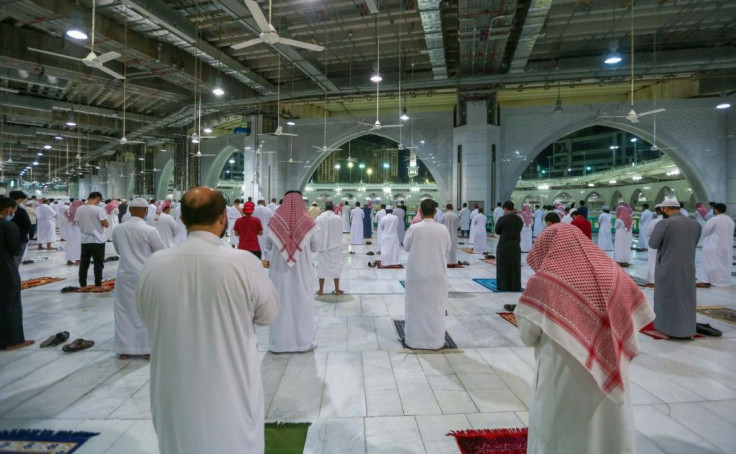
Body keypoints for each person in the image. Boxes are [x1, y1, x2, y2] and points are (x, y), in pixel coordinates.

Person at [136, 187, 278, 454]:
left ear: (181, 219)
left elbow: (145, 313)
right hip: (229, 384)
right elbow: (269, 315)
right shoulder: (244, 263)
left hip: (174, 386)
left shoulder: (155, 264)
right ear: (224, 217)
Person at [515, 223, 653, 454]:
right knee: (608, 430)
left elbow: (527, 335)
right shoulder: (615, 273)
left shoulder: (544, 282)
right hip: (612, 366)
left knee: (561, 432)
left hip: (562, 376)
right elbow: (632, 316)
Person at [265, 191, 320, 353]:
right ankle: (302, 343)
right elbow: (316, 246)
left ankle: (278, 344)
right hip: (301, 274)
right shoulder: (308, 222)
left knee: (279, 306)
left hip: (278, 274)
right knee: (301, 305)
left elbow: (267, 246)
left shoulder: (274, 222)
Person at [111, 198, 164, 359]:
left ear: (130, 210)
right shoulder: (149, 230)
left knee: (124, 311)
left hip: (125, 275)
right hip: (145, 274)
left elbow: (118, 250)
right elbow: (160, 252)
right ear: (145, 211)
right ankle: (147, 349)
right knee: (146, 311)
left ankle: (125, 349)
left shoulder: (118, 229)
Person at [649, 198, 701, 338]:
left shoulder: (664, 223)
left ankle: (667, 328)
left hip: (667, 267)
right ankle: (687, 328)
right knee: (686, 297)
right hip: (687, 268)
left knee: (667, 297)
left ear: (665, 209)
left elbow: (653, 244)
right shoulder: (695, 223)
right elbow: (694, 242)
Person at [403, 199, 451, 349]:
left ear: (421, 212)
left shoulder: (414, 228)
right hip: (437, 273)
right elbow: (447, 248)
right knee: (435, 306)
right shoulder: (443, 229)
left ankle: (414, 340)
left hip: (416, 273)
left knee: (416, 305)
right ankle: (434, 341)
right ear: (435, 212)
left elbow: (406, 247)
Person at [0, 196, 34, 351]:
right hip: (5, 268)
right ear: (8, 209)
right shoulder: (8, 226)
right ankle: (12, 340)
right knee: (10, 303)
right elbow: (15, 249)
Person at [75, 192, 110, 288]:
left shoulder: (79, 208)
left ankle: (83, 284)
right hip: (97, 239)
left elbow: (78, 223)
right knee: (98, 263)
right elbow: (106, 224)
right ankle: (98, 284)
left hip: (84, 239)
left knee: (84, 263)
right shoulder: (98, 209)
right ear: (98, 198)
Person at [696, 203, 734, 287]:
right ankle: (722, 281)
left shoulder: (714, 219)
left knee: (709, 263)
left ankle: (706, 280)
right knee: (723, 264)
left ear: (716, 210)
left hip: (713, 246)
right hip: (726, 246)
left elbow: (706, 231)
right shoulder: (729, 220)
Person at [316, 201, 344, 296]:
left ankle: (320, 290)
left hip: (322, 248)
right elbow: (340, 232)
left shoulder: (319, 219)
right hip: (334, 247)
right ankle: (337, 289)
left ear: (324, 208)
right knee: (336, 268)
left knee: (321, 269)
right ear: (333, 208)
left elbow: (316, 232)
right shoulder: (337, 218)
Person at [494, 201, 523, 291]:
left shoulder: (502, 219)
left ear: (505, 209)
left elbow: (497, 231)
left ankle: (503, 285)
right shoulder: (519, 219)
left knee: (503, 265)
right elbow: (520, 228)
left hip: (504, 245)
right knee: (514, 266)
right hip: (515, 245)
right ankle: (515, 286)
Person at [9, 191, 32, 267]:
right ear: (19, 199)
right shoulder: (20, 210)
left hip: (7, 238)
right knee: (16, 260)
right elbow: (28, 224)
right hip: (20, 237)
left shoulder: (4, 208)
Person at [645, 205, 664, 286]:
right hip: (667, 245)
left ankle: (652, 281)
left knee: (652, 262)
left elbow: (648, 233)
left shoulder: (654, 221)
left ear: (657, 211)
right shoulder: (670, 221)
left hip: (654, 244)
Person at [65, 200, 82, 265]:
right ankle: (78, 260)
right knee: (77, 243)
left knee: (69, 244)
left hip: (70, 226)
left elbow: (66, 215)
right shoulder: (78, 210)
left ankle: (69, 260)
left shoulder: (70, 209)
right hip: (76, 227)